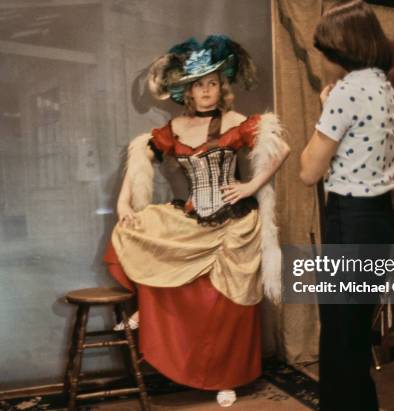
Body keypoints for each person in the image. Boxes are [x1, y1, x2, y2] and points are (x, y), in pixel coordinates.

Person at [103, 35, 290, 407]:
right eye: (200, 85)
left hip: (233, 227)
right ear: (188, 90)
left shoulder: (237, 122)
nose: (207, 91)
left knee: (225, 311)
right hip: (194, 219)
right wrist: (125, 203)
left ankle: (226, 378)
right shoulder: (174, 128)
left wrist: (250, 185)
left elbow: (280, 148)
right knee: (138, 232)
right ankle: (147, 307)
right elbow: (141, 152)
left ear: (222, 88)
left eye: (213, 83)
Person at [299, 1, 394, 410]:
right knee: (355, 343)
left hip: (350, 221)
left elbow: (309, 170)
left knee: (340, 347)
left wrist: (326, 109)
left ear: (341, 49)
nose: (323, 58)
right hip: (380, 222)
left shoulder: (347, 90)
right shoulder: (386, 88)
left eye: (325, 50)